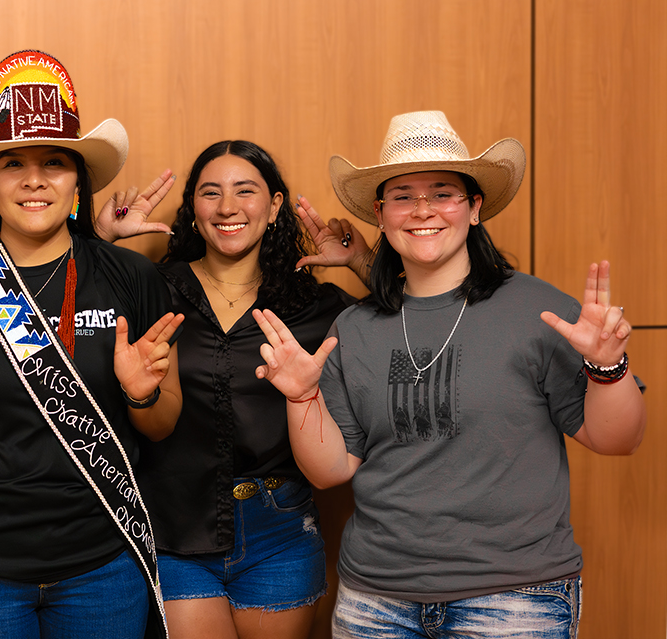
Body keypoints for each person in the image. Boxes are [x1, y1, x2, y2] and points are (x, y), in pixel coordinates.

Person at [254, 111, 646, 639]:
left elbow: (616, 438)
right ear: (381, 213)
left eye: (443, 193)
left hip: (514, 600)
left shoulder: (537, 309)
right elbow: (331, 470)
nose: (422, 211)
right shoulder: (355, 327)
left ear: (475, 208)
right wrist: (302, 397)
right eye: (403, 196)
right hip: (376, 602)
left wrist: (608, 366)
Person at [0, 50, 184, 639]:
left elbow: (162, 428)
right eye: (13, 164)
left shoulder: (132, 279)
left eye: (54, 161)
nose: (34, 179)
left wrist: (142, 397)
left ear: (77, 180)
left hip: (101, 563)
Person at [134, 140, 369, 639]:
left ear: (275, 205)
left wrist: (361, 263)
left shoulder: (317, 302)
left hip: (280, 529)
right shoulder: (152, 288)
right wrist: (102, 237)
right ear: (192, 210)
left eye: (246, 191)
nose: (227, 208)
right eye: (210, 193)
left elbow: (416, 321)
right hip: (175, 526)